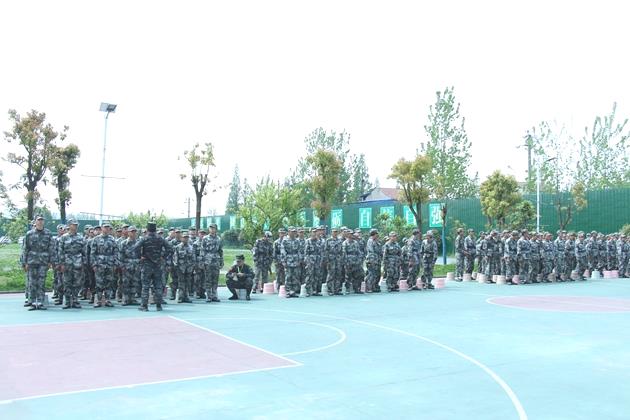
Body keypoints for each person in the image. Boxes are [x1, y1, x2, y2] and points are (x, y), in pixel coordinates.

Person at [134, 221, 173, 311]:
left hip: (146, 264)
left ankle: (144, 306)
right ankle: (158, 305)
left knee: (145, 286)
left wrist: (140, 256)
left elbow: (136, 248)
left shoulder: (144, 238)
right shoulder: (160, 238)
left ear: (147, 229)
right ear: (155, 229)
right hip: (157, 265)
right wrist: (163, 257)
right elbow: (170, 248)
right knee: (158, 285)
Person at [21, 215, 55, 310]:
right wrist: (24, 262)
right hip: (32, 261)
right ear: (35, 222)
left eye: (42, 220)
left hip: (43, 261)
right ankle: (32, 302)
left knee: (41, 282)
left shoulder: (48, 233)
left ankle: (40, 302)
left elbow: (51, 248)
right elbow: (25, 249)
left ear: (44, 222)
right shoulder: (29, 234)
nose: (40, 222)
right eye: (38, 220)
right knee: (32, 282)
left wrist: (51, 261)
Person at [90, 222, 119, 307]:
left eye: (108, 227)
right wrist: (94, 264)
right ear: (102, 228)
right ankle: (98, 300)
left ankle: (107, 300)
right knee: (99, 283)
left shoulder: (112, 239)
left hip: (110, 264)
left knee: (109, 283)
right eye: (105, 227)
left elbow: (116, 252)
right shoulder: (96, 239)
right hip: (99, 264)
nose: (106, 229)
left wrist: (115, 264)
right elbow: (93, 253)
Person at [58, 219, 85, 309]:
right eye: (74, 225)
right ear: (69, 226)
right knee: (67, 282)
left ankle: (75, 300)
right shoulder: (64, 237)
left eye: (76, 225)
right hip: (67, 262)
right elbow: (60, 251)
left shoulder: (80, 237)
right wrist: (62, 263)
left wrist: (83, 263)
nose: (75, 226)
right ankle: (67, 301)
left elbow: (84, 251)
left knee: (77, 282)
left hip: (78, 262)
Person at [200, 222, 224, 302]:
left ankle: (214, 295)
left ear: (216, 229)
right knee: (208, 279)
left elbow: (220, 250)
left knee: (215, 279)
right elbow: (202, 250)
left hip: (216, 260)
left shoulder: (219, 239)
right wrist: (202, 261)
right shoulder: (205, 238)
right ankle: (209, 296)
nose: (212, 229)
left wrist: (221, 261)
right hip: (208, 260)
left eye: (213, 228)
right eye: (210, 228)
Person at [172, 231, 195, 303]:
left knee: (188, 282)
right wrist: (176, 266)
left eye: (187, 237)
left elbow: (193, 258)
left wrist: (192, 267)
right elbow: (175, 258)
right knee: (181, 282)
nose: (185, 239)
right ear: (181, 238)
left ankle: (186, 297)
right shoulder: (178, 247)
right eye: (184, 237)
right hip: (181, 268)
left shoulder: (191, 247)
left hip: (189, 268)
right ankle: (180, 297)